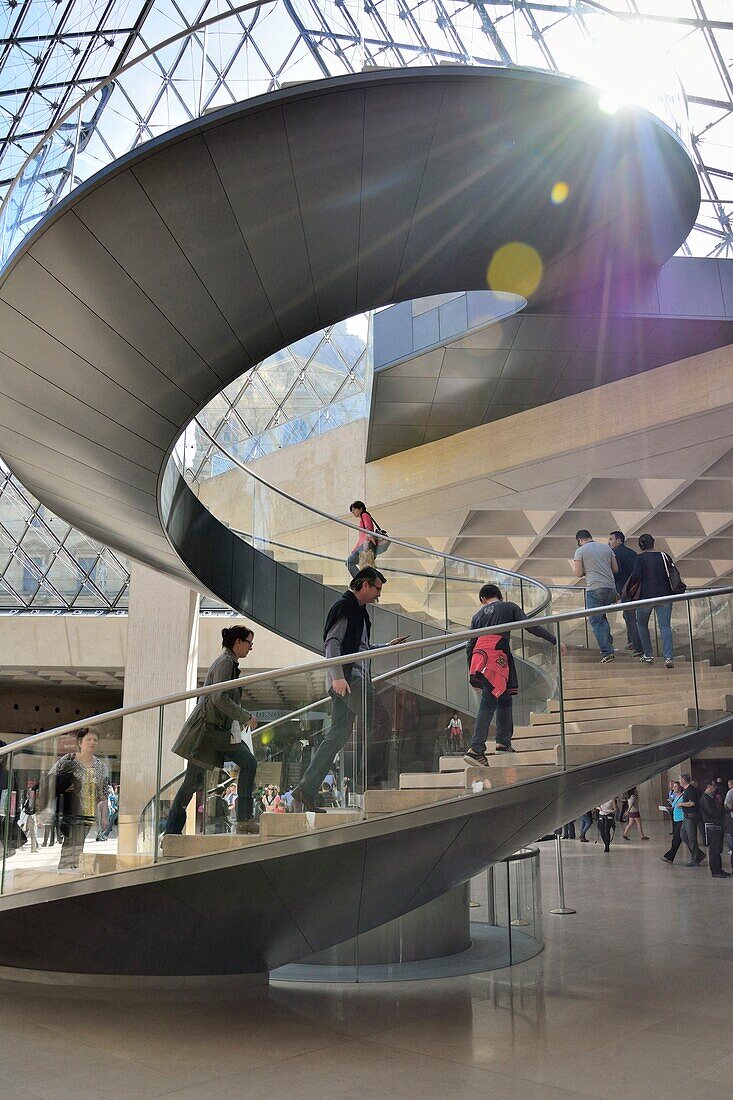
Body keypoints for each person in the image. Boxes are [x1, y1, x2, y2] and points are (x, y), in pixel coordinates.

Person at [292, 567, 407, 813]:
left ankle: (306, 788)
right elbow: (332, 643)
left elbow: (359, 647)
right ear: (364, 585)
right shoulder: (345, 607)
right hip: (349, 680)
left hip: (349, 678)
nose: (379, 595)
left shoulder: (359, 612)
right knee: (381, 721)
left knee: (337, 737)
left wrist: (385, 646)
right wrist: (337, 677)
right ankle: (370, 778)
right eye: (377, 588)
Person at [167, 625, 259, 836]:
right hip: (208, 734)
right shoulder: (225, 663)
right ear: (238, 643)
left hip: (219, 734)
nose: (251, 648)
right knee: (192, 782)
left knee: (246, 763)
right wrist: (245, 716)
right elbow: (219, 698)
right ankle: (172, 832)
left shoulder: (229, 663)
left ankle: (244, 818)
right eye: (249, 643)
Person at [464, 584, 564, 763]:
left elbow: (470, 646)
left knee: (504, 696)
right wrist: (554, 640)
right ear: (499, 596)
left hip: (480, 657)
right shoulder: (509, 607)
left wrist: (473, 674)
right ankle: (476, 749)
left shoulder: (477, 616)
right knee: (489, 701)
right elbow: (530, 626)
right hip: (498, 655)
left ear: (482, 600)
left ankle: (503, 742)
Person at [48, 728, 109, 872]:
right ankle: (64, 872)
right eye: (89, 739)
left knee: (78, 844)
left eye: (95, 740)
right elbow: (50, 779)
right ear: (80, 742)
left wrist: (105, 817)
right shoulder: (68, 759)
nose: (92, 742)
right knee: (70, 844)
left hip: (88, 811)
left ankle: (70, 871)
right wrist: (63, 786)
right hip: (69, 809)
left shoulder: (100, 766)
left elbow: (104, 793)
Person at [626, 534, 675, 668]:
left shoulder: (639, 558)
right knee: (665, 627)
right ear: (653, 543)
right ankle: (668, 657)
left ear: (640, 546)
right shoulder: (664, 556)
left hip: (645, 597)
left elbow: (635, 576)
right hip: (665, 596)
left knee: (641, 625)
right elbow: (672, 572)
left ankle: (648, 654)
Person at [573, 530, 618, 663]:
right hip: (610, 588)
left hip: (594, 589)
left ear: (580, 540)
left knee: (595, 621)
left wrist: (587, 570)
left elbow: (578, 573)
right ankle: (608, 645)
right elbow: (615, 569)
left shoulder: (580, 551)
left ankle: (607, 652)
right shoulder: (607, 548)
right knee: (602, 617)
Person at [608, 531, 642, 655]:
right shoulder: (632, 553)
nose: (609, 542)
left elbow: (614, 573)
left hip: (624, 590)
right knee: (631, 617)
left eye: (611, 539)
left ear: (619, 540)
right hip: (635, 590)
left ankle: (638, 646)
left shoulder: (614, 555)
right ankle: (632, 641)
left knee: (629, 618)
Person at [700, 780, 729, 878]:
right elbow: (712, 812)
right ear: (708, 786)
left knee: (718, 849)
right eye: (714, 786)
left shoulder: (711, 797)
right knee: (714, 849)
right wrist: (726, 809)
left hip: (716, 825)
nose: (715, 788)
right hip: (712, 826)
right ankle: (715, 871)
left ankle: (718, 869)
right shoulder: (705, 798)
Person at [346, 501, 380, 578]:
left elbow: (369, 529)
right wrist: (354, 550)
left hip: (366, 545)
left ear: (360, 509)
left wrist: (366, 542)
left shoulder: (364, 515)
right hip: (362, 546)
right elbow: (361, 537)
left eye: (354, 509)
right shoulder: (362, 519)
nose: (353, 512)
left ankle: (360, 579)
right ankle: (361, 579)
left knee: (351, 563)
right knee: (351, 563)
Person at [678, 772, 706, 866]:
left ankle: (695, 858)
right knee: (683, 835)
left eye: (679, 779)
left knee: (692, 838)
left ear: (683, 780)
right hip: (686, 817)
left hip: (691, 816)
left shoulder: (691, 790)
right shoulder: (685, 790)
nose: (679, 781)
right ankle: (699, 854)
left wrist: (681, 804)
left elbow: (692, 803)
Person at [661, 781, 686, 863]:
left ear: (680, 787)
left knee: (676, 839)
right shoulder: (676, 797)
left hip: (681, 820)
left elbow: (684, 806)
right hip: (676, 819)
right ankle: (698, 854)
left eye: (676, 786)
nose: (674, 788)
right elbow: (674, 806)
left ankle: (669, 857)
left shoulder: (683, 796)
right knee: (685, 840)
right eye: (673, 786)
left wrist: (681, 804)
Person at [20, 780, 39, 854]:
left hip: (27, 816)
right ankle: (33, 848)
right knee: (32, 832)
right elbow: (31, 807)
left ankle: (33, 846)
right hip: (31, 816)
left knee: (26, 831)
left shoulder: (29, 797)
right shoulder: (32, 795)